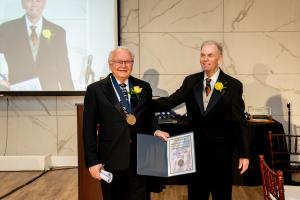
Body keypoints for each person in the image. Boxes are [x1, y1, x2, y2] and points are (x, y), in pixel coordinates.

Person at [153, 40, 250, 200]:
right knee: (196, 194)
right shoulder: (191, 81)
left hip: (222, 153)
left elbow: (239, 122)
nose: (205, 59)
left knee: (222, 194)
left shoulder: (233, 85)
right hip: (195, 151)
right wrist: (142, 103)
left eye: (210, 55)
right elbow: (170, 101)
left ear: (220, 57)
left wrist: (244, 154)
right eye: (202, 55)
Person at [83, 46, 169, 200]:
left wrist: (156, 131)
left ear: (132, 64)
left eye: (128, 61)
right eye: (119, 62)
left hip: (140, 157)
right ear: (110, 64)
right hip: (110, 158)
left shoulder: (144, 87)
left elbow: (149, 116)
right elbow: (88, 130)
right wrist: (92, 162)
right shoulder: (95, 90)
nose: (123, 65)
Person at [0, 0, 74, 91]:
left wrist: (70, 98)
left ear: (44, 3)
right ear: (22, 3)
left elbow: (64, 69)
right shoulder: (6, 29)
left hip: (51, 97)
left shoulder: (58, 32)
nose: (34, 4)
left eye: (38, 0)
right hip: (18, 97)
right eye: (29, 0)